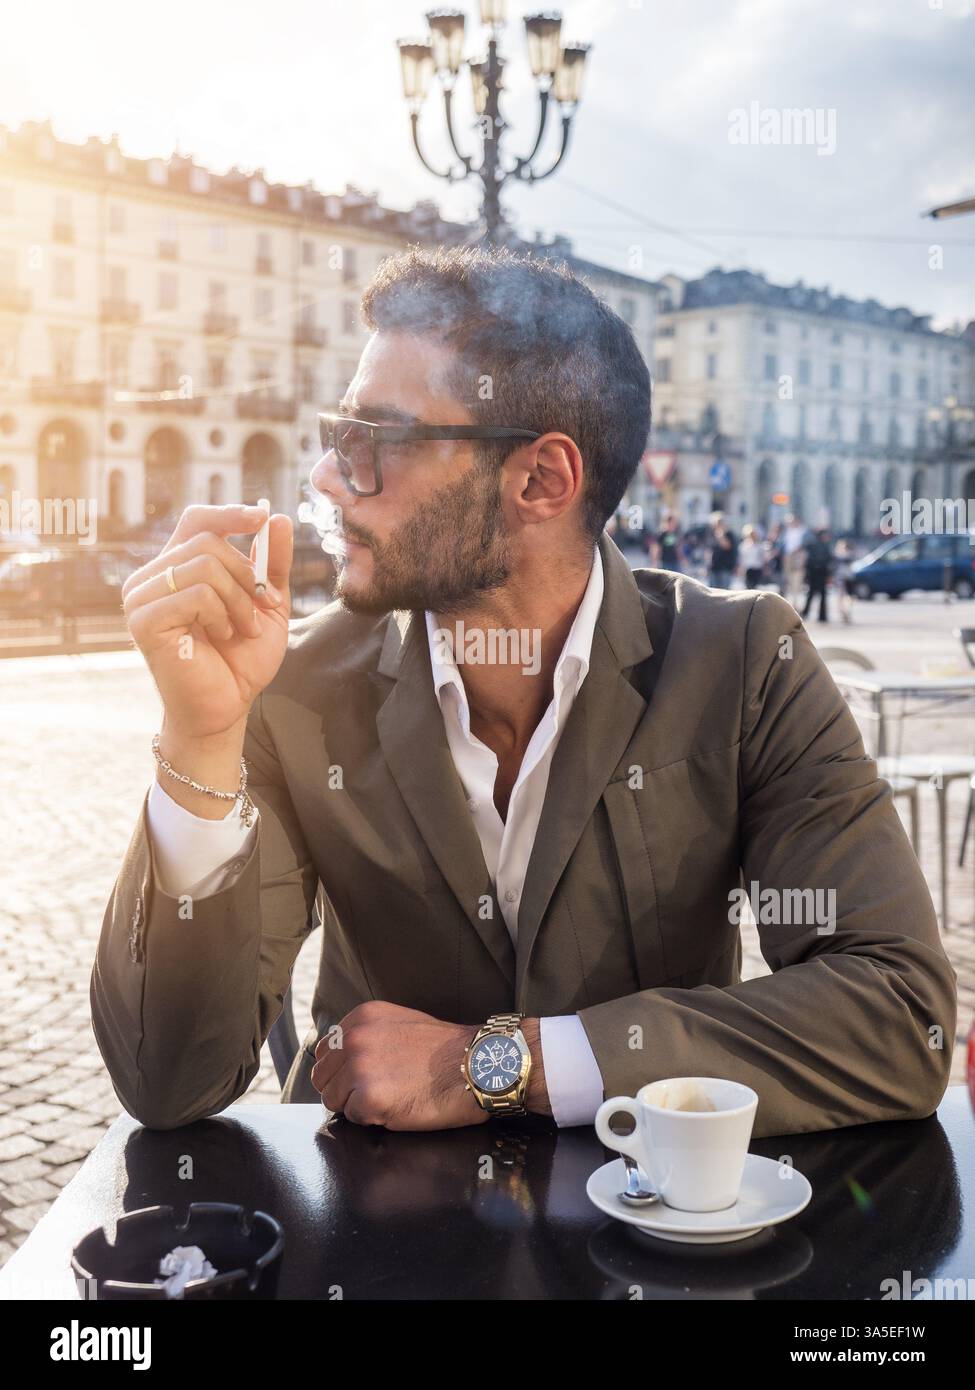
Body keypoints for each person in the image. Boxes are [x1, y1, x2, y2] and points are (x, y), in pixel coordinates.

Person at [91, 245, 955, 1141]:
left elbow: (899, 1014)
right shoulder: (294, 687)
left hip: (651, 1233)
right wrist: (198, 739)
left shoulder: (741, 659)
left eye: (371, 440)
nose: (324, 477)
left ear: (541, 480)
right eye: (333, 435)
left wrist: (498, 1065)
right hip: (368, 1237)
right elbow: (167, 1082)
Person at [802, 527, 834, 624]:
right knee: (819, 595)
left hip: (816, 572)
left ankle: (807, 613)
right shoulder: (823, 545)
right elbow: (828, 560)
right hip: (820, 572)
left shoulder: (813, 545)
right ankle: (821, 615)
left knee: (812, 594)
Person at [782, 513, 808, 606]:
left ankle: (796, 602)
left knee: (797, 580)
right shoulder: (788, 531)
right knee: (789, 580)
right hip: (788, 557)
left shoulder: (803, 531)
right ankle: (790, 601)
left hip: (798, 557)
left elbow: (804, 544)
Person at [707, 514, 738, 588]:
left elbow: (726, 546)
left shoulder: (729, 534)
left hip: (725, 567)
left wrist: (721, 535)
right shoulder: (712, 534)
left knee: (724, 591)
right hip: (714, 567)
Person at [833, 538, 854, 625]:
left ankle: (846, 612)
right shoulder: (837, 555)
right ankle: (843, 612)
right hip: (841, 578)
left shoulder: (848, 554)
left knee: (848, 597)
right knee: (841, 597)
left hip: (847, 578)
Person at [738, 523, 766, 589]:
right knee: (748, 585)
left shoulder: (759, 545)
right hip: (748, 568)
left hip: (757, 567)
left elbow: (762, 557)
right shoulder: (744, 545)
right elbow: (742, 558)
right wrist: (741, 568)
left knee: (755, 585)